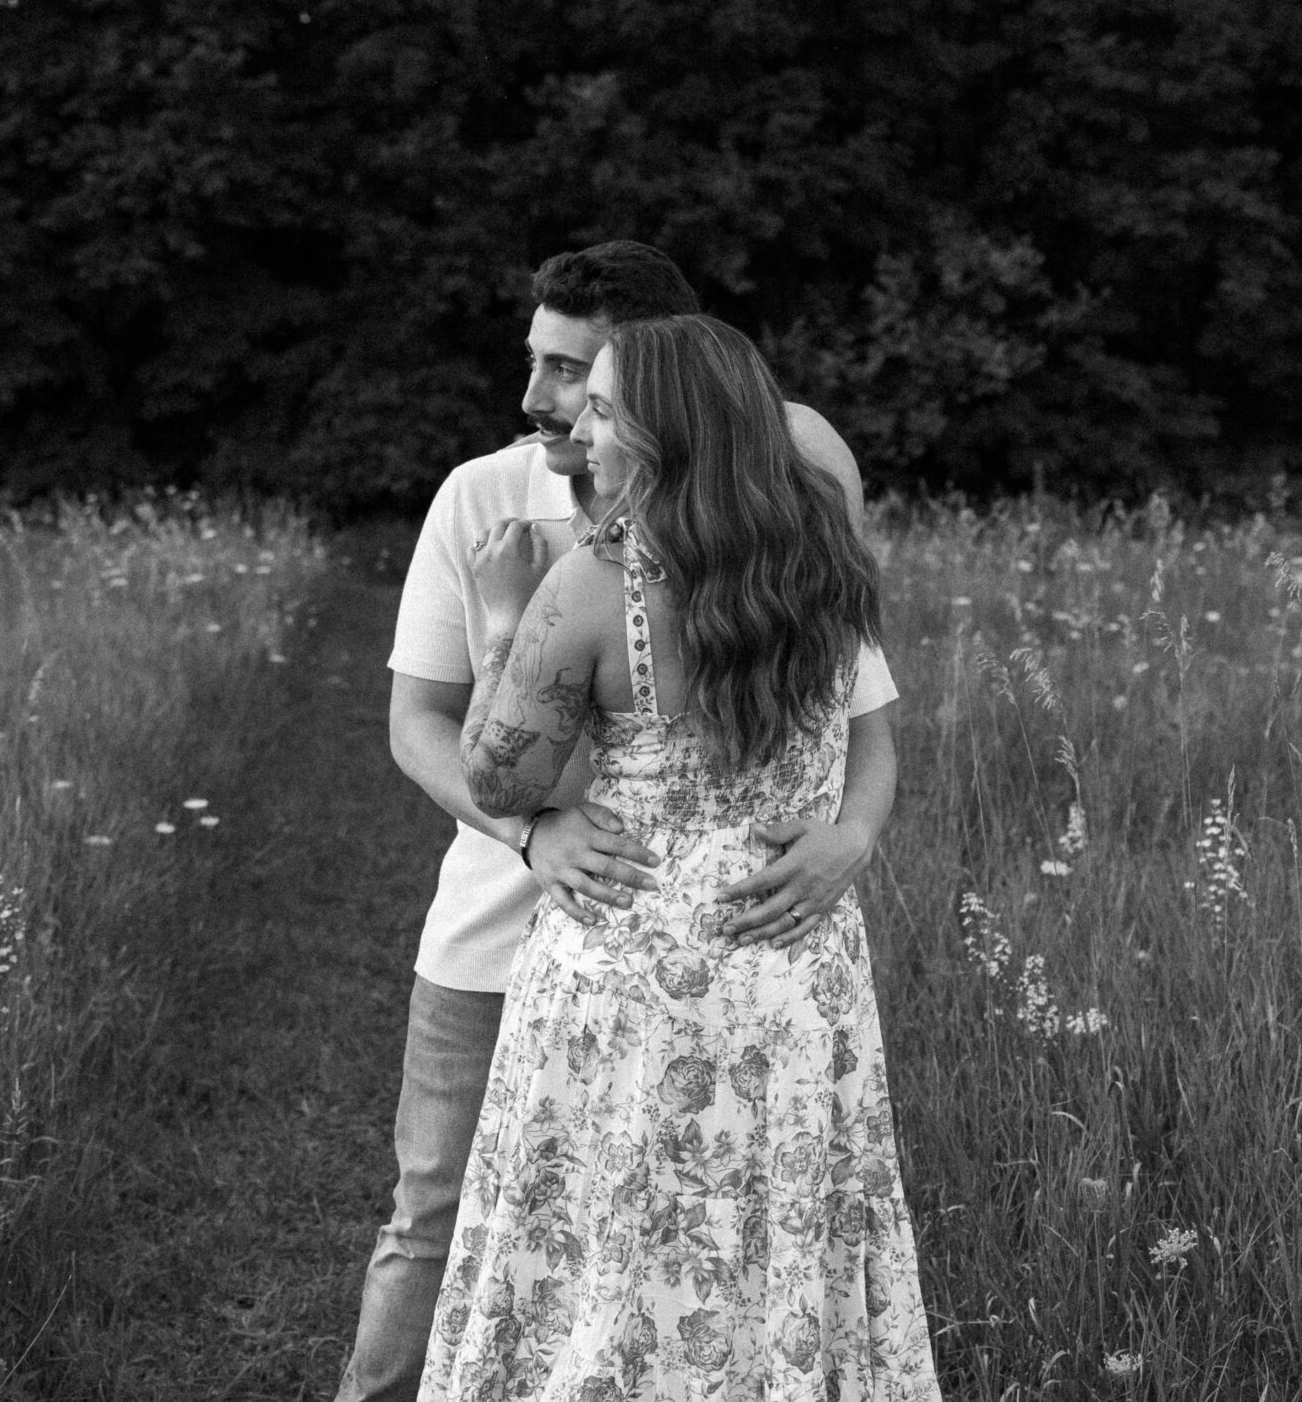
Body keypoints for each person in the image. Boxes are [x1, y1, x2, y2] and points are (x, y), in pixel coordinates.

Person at [344, 243, 901, 1402]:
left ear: (649, 401)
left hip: (628, 965)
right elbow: (419, 728)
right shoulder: (495, 497)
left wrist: (852, 836)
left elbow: (860, 729)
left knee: (601, 1242)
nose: (552, 408)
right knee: (456, 1213)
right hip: (670, 950)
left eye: (580, 382)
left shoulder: (618, 569)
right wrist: (532, 839)